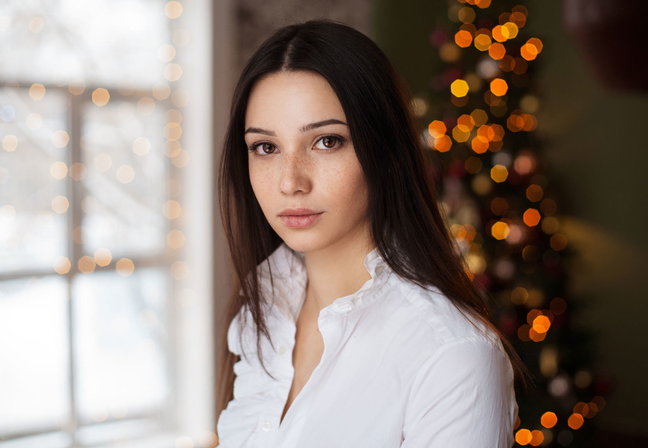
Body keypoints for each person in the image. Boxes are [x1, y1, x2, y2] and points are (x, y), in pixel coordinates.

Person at [216, 20, 522, 448]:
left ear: (385, 148)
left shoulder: (452, 356)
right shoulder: (262, 311)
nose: (290, 182)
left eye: (326, 141)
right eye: (265, 147)